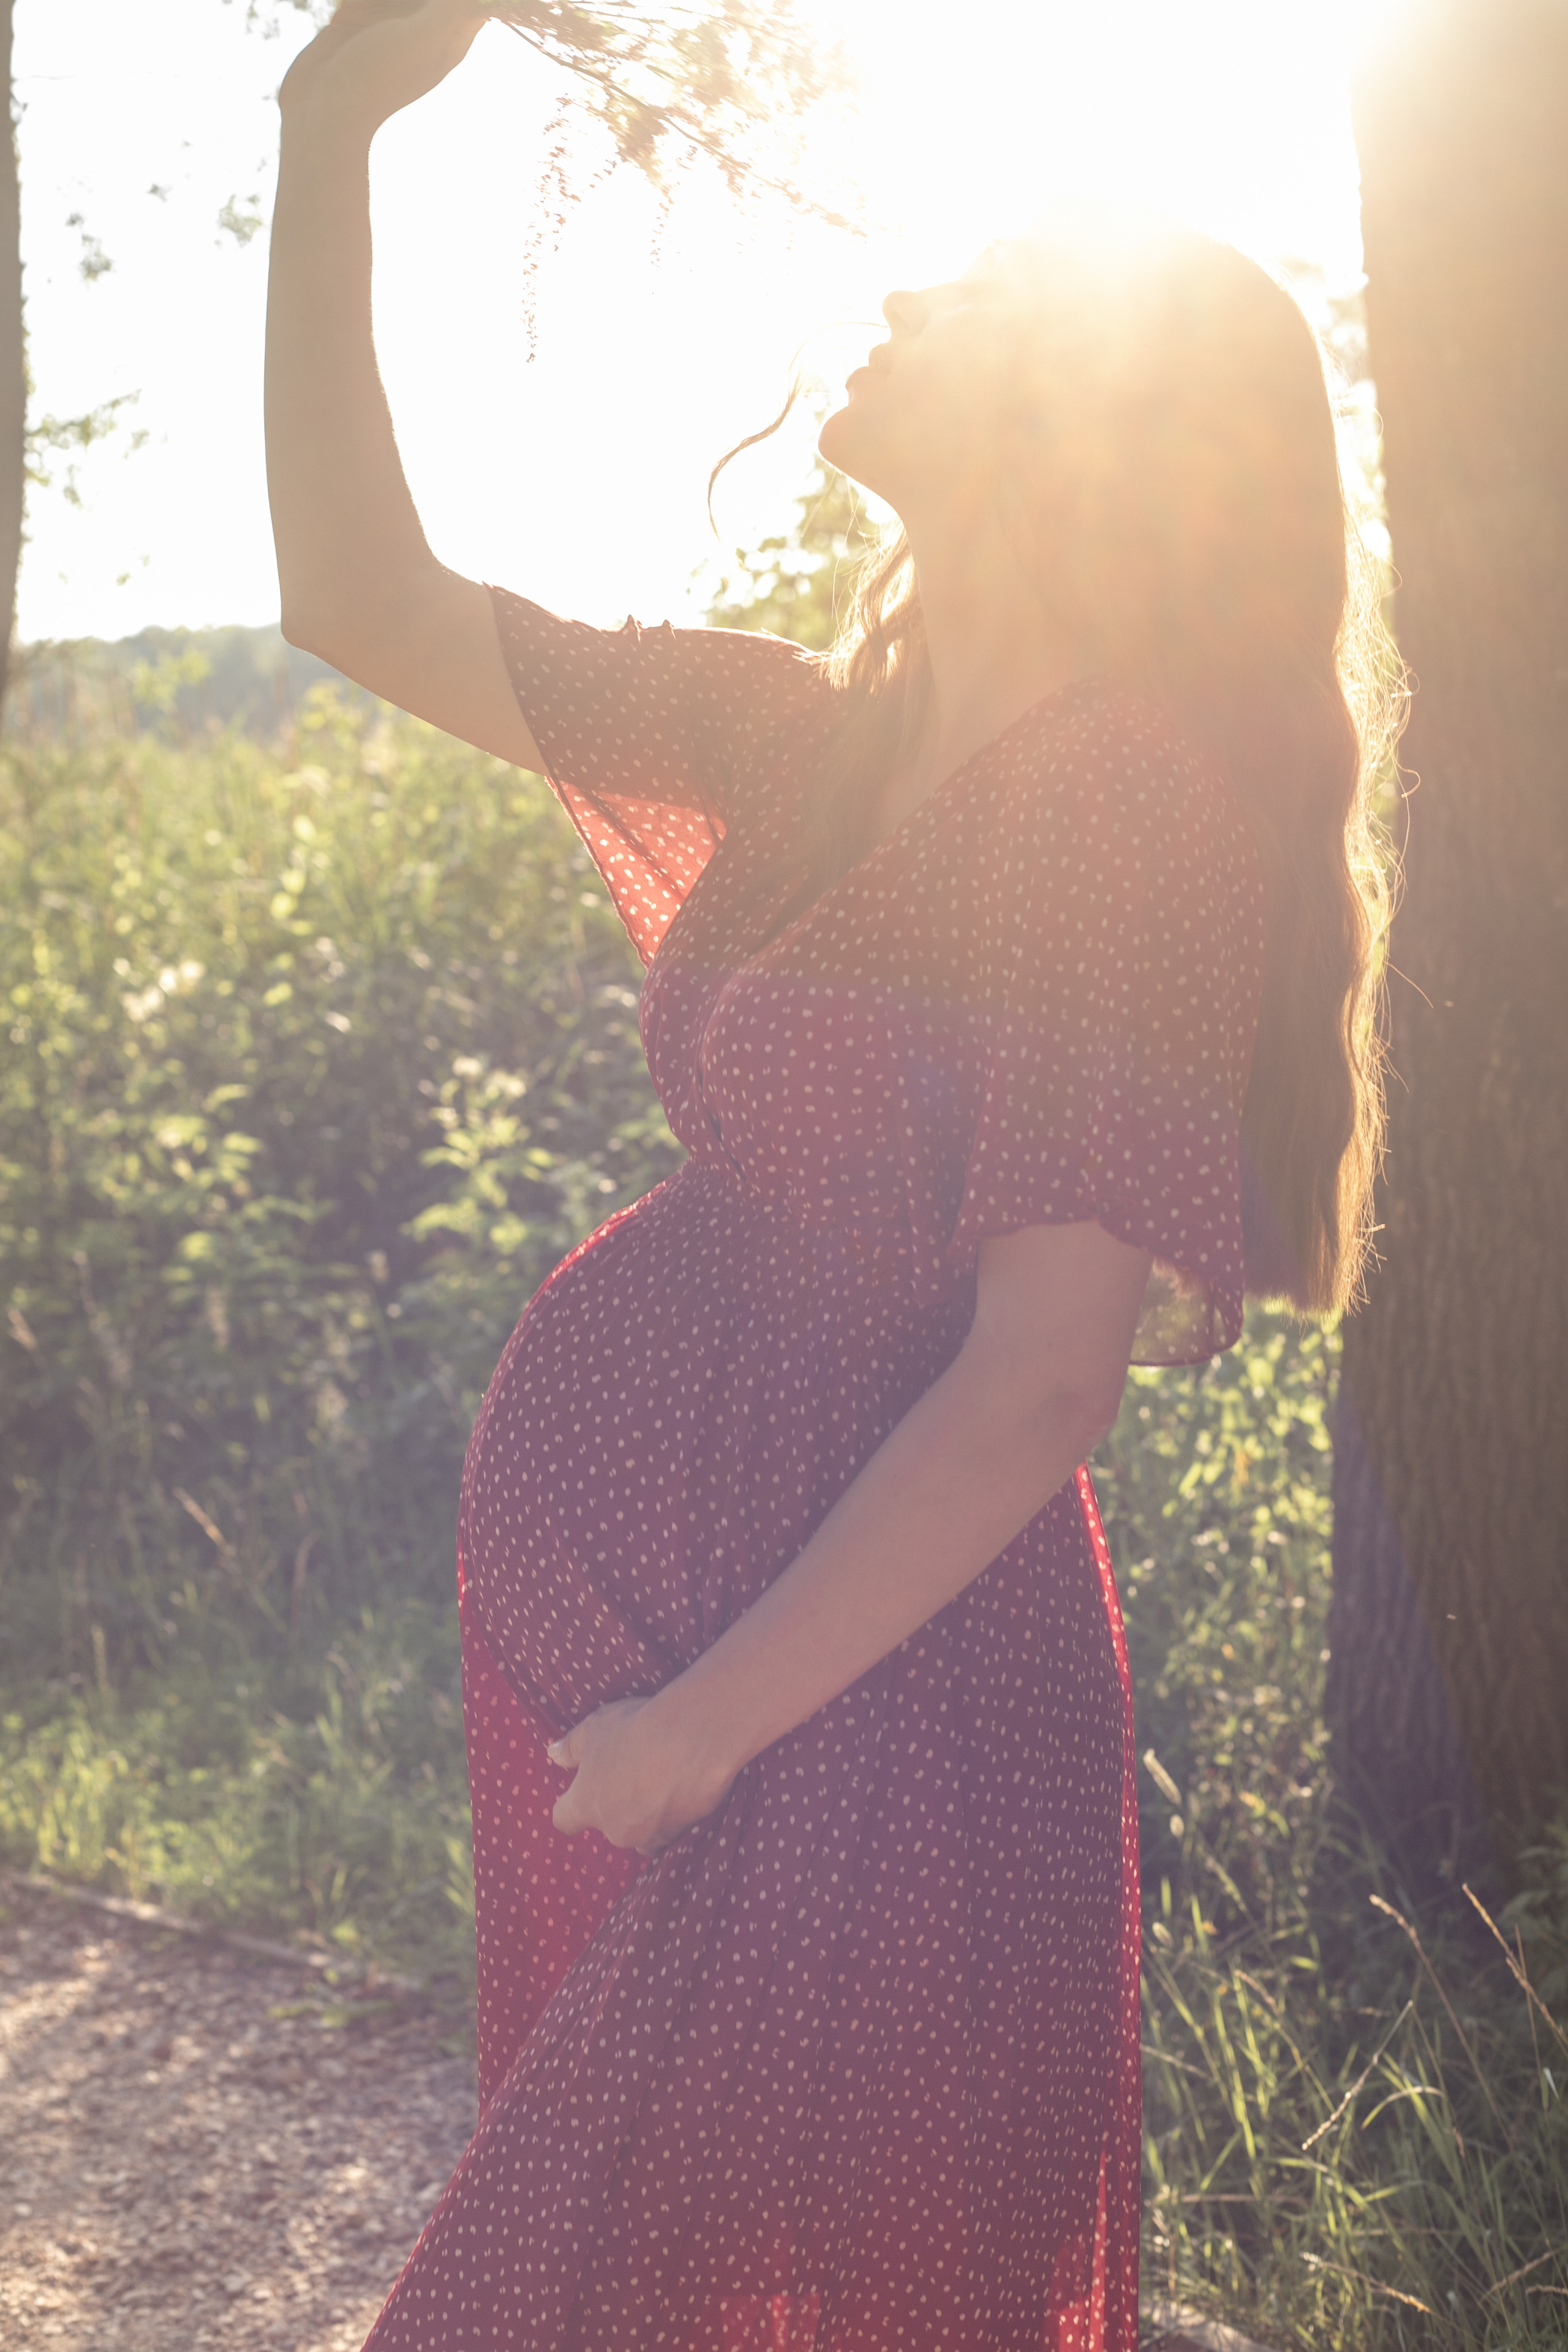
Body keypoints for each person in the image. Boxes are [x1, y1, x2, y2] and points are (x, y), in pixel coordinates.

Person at [266, 6, 1396, 2347]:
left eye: (988, 291)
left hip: (859, 1720)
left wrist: (706, 1728)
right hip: (659, 1698)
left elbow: (1042, 1376)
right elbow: (356, 599)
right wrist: (328, 129)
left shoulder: (1123, 803)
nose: (907, 293)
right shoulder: (788, 741)